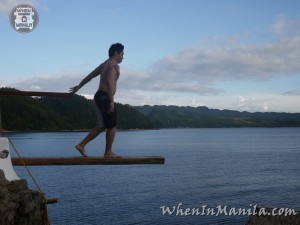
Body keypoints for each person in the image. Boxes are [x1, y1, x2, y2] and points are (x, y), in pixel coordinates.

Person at [69, 43, 124, 158]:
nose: (123, 57)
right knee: (112, 125)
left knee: (102, 125)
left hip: (98, 96)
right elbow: (109, 82)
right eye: (122, 54)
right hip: (105, 97)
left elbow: (90, 76)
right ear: (116, 53)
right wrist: (111, 102)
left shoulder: (104, 64)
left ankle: (81, 145)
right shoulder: (114, 66)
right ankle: (108, 152)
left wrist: (79, 86)